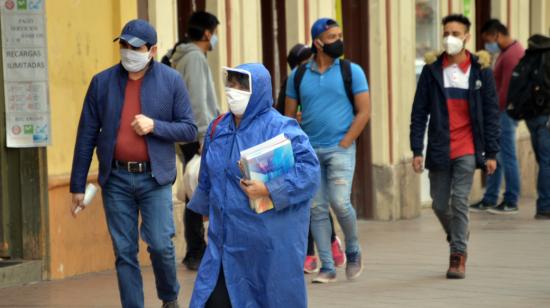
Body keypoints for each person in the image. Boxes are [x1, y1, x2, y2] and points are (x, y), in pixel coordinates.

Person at [70, 19, 197, 308]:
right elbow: (86, 135)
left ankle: (169, 298)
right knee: (124, 252)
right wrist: (77, 185)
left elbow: (189, 129)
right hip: (115, 179)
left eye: (136, 47)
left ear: (152, 50)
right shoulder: (101, 82)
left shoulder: (171, 80)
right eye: (124, 45)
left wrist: (156, 125)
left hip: (154, 178)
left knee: (162, 246)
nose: (128, 52)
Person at [186, 63, 320, 307]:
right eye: (231, 84)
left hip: (266, 246)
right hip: (224, 244)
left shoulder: (281, 128)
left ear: (258, 91)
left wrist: (269, 189)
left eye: (241, 86)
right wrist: (206, 223)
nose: (232, 91)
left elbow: (310, 172)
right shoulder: (218, 128)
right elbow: (207, 178)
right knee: (211, 300)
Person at [410, 14, 500, 279]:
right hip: (439, 146)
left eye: (456, 33)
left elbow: (491, 113)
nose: (450, 38)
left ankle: (457, 255)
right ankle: (459, 233)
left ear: (467, 37)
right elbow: (419, 112)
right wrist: (417, 149)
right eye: (446, 32)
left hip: (468, 147)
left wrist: (492, 153)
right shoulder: (432, 71)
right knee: (439, 204)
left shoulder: (481, 72)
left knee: (459, 200)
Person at [285, 18, 371, 283]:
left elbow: (364, 111)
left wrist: (346, 142)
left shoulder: (351, 71)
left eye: (339, 35)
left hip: (340, 150)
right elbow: (287, 117)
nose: (339, 41)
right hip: (309, 152)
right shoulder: (298, 76)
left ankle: (354, 250)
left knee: (339, 202)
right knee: (316, 208)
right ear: (317, 42)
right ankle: (327, 267)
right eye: (332, 37)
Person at [276, 43, 346, 273]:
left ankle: (330, 241)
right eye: (306, 62)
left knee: (318, 201)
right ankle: (309, 251)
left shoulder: (326, 81)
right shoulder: (292, 83)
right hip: (296, 151)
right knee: (306, 202)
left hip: (319, 148)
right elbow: (280, 114)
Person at [170, 11, 220, 271]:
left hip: (186, 132)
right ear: (208, 33)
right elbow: (198, 102)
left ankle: (196, 249)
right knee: (197, 188)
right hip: (196, 134)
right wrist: (203, 136)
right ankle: (196, 250)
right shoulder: (194, 59)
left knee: (194, 185)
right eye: (216, 33)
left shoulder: (184, 56)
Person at [469, 19, 524, 215]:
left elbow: (505, 89)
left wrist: (491, 110)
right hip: (501, 112)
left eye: (487, 39)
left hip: (504, 113)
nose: (487, 44)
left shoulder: (511, 56)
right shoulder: (507, 52)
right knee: (496, 156)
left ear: (496, 35)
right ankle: (490, 198)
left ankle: (511, 199)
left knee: (507, 156)